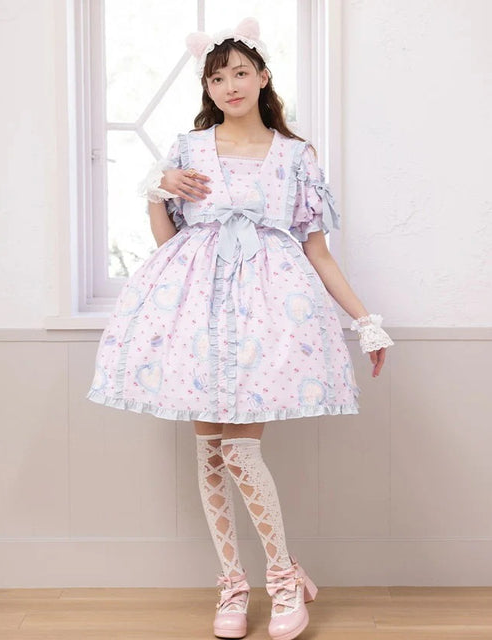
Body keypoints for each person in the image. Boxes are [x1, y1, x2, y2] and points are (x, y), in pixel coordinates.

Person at [86, 17, 394, 640]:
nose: (229, 85)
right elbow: (169, 242)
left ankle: (281, 579)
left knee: (239, 449)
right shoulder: (188, 149)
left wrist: (366, 322)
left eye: (240, 73)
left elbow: (317, 251)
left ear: (263, 77)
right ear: (207, 87)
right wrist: (157, 191)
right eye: (217, 77)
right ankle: (231, 583)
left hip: (268, 313)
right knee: (209, 450)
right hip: (197, 312)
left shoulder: (296, 156)